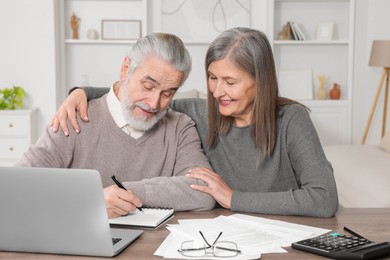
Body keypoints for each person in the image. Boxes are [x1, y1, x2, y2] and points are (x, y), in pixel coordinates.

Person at [51, 27, 339, 217]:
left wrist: (232, 198)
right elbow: (143, 99)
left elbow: (324, 199)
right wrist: (82, 93)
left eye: (230, 81)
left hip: (281, 239)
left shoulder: (291, 119)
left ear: (260, 81)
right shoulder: (201, 112)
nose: (217, 91)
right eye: (213, 78)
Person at [16, 33, 215, 218]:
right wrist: (89, 200)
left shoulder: (180, 127)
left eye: (168, 93)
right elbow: (19, 184)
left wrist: (122, 193)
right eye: (148, 86)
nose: (154, 103)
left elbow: (204, 189)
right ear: (125, 69)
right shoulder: (73, 117)